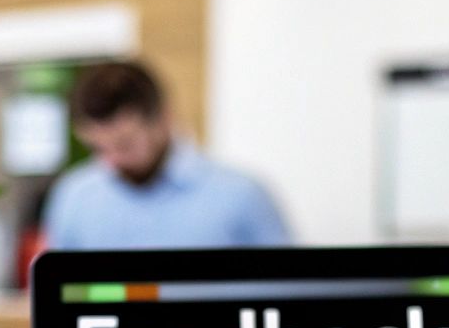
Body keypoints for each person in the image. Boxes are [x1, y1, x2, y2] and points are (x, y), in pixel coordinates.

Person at [45, 60, 290, 250]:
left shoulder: (242, 195)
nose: (112, 160)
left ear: (164, 118)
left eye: (125, 144)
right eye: (98, 148)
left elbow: (287, 290)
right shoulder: (74, 197)